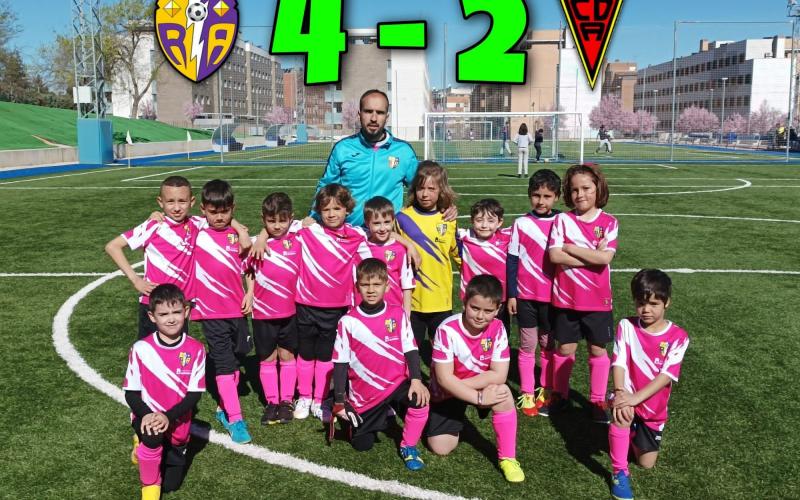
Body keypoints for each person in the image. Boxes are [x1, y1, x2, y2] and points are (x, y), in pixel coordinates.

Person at [105, 176, 250, 340]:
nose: (176, 208)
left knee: (177, 349)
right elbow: (113, 247)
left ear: (192, 202)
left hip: (181, 305)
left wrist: (241, 231)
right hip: (155, 303)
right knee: (151, 350)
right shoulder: (154, 225)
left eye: (182, 201)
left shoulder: (196, 223)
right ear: (160, 202)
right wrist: (135, 279)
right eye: (170, 202)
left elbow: (221, 214)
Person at [330, 258, 430, 470]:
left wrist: (416, 379)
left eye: (376, 284)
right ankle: (361, 420)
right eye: (365, 285)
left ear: (387, 286)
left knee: (420, 399)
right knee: (362, 445)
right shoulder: (347, 321)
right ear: (357, 286)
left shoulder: (398, 314)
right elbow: (340, 363)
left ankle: (409, 446)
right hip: (366, 395)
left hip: (396, 383)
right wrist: (339, 400)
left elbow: (410, 349)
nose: (371, 290)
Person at [425, 275, 524, 483]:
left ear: (497, 309)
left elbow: (499, 374)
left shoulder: (498, 328)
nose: (480, 316)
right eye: (475, 308)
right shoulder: (446, 329)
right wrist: (476, 397)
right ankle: (441, 415)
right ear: (464, 302)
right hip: (446, 393)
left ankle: (508, 458)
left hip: (469, 387)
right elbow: (443, 378)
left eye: (488, 311)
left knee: (503, 393)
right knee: (441, 447)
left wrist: (472, 393)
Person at [608, 269, 689, 500]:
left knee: (646, 463)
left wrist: (636, 399)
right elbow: (619, 362)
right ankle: (619, 472)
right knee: (622, 412)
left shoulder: (678, 337)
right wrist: (621, 393)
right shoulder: (626, 325)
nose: (646, 309)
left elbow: (666, 376)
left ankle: (632, 431)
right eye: (641, 303)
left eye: (654, 304)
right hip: (626, 395)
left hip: (653, 408)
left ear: (667, 303)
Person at [293, 184, 372, 420]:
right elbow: (276, 228)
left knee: (326, 355)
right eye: (326, 209)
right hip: (306, 304)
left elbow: (372, 261)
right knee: (306, 354)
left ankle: (320, 400)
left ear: (347, 209)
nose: (331, 214)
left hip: (336, 308)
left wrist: (407, 245)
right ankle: (304, 396)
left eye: (337, 208)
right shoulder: (307, 230)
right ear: (318, 210)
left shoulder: (357, 236)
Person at [546, 164, 618, 422]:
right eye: (575, 190)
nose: (580, 194)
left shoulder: (609, 222)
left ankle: (597, 401)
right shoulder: (562, 220)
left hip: (598, 301)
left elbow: (605, 259)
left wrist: (570, 248)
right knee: (565, 349)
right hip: (566, 299)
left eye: (586, 188)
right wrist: (592, 255)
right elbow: (555, 256)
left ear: (598, 188)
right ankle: (560, 395)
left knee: (597, 350)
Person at [124, 284, 206, 500]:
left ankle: (142, 448)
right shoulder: (141, 348)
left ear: (186, 311)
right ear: (152, 317)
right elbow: (131, 392)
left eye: (176, 312)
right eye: (163, 314)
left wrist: (168, 417)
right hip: (147, 417)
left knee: (171, 485)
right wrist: (147, 415)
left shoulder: (196, 349)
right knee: (152, 434)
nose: (171, 319)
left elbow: (194, 395)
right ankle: (149, 489)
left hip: (177, 421)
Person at [192, 180, 254, 444]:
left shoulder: (237, 236)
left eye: (225, 212)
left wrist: (250, 292)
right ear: (203, 210)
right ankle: (234, 418)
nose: (219, 217)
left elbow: (248, 267)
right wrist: (155, 215)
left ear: (233, 209)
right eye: (213, 212)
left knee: (240, 352)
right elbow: (173, 218)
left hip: (237, 308)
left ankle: (220, 395)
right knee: (226, 363)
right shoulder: (196, 231)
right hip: (210, 312)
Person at [311, 89, 418, 227]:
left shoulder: (403, 151)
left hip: (386, 233)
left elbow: (421, 188)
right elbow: (325, 188)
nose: (374, 118)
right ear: (359, 114)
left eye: (380, 112)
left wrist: (442, 206)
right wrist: (314, 217)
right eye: (368, 111)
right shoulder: (343, 148)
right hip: (348, 231)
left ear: (387, 116)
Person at [507, 169, 561, 417]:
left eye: (547, 196)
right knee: (527, 345)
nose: (541, 201)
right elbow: (512, 260)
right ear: (529, 195)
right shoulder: (521, 223)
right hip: (526, 297)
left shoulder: (562, 222)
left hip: (552, 297)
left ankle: (546, 389)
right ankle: (527, 392)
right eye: (536, 195)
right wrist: (512, 294)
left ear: (556, 197)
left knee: (548, 345)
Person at [395, 161, 460, 364]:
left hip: (441, 299)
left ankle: (438, 382)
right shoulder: (402, 218)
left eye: (431, 189)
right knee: (408, 349)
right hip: (412, 299)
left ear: (441, 190)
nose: (425, 194)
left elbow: (459, 254)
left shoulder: (448, 219)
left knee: (441, 352)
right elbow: (385, 238)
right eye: (421, 188)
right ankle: (410, 380)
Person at [248, 193, 302, 426]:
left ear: (291, 218)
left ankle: (287, 401)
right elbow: (249, 270)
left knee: (287, 355)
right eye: (271, 221)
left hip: (290, 311)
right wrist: (249, 293)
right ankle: (272, 401)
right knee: (267, 357)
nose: (277, 225)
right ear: (263, 220)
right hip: (263, 313)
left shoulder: (298, 237)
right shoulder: (256, 244)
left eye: (282, 220)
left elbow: (309, 222)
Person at [456, 198, 512, 334]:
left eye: (491, 221)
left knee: (501, 332)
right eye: (479, 220)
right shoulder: (465, 236)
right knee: (471, 332)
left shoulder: (507, 237)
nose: (484, 225)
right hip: (472, 298)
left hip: (499, 298)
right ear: (472, 220)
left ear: (500, 222)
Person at [363, 196, 415, 313]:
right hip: (365, 311)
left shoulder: (400, 249)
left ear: (393, 221)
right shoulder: (360, 246)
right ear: (367, 223)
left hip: (393, 311)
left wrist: (406, 316)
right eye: (376, 223)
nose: (382, 228)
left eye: (387, 222)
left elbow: (407, 286)